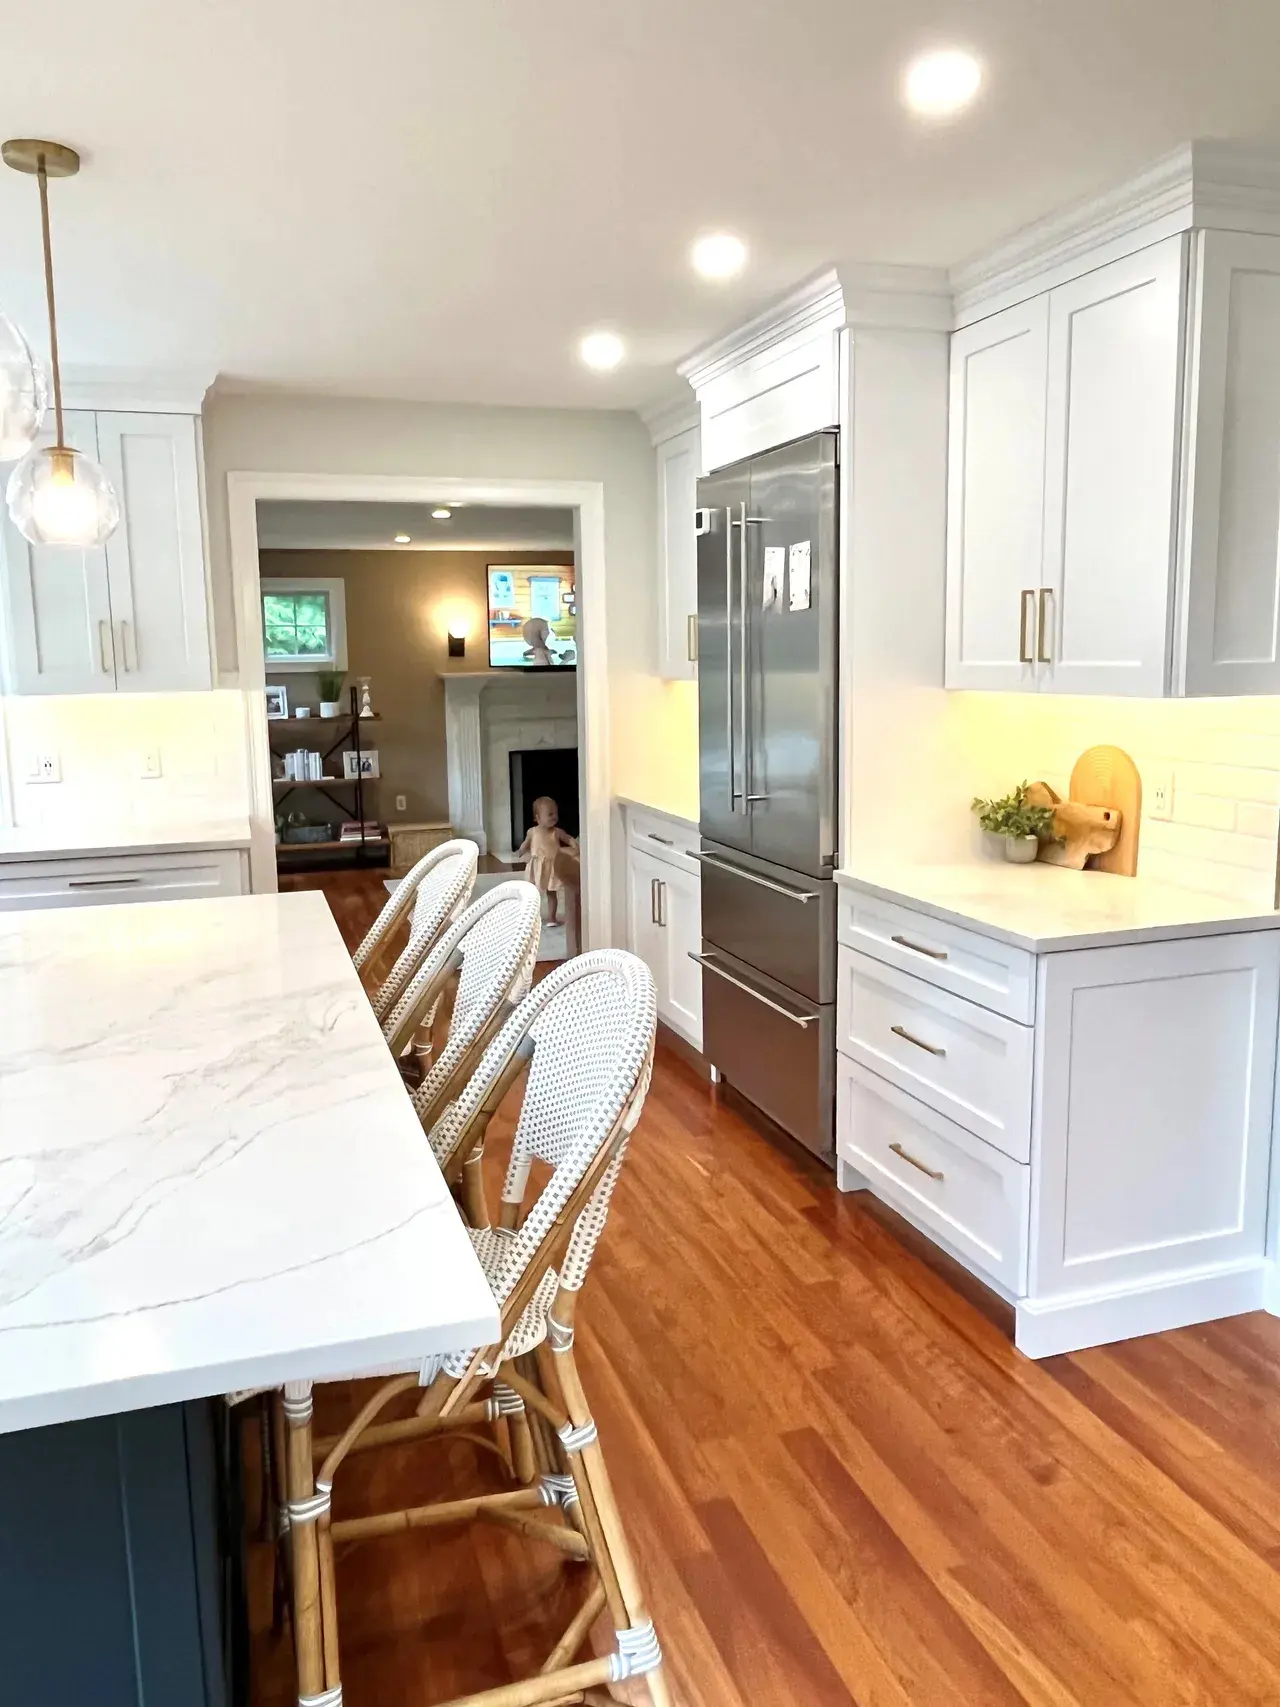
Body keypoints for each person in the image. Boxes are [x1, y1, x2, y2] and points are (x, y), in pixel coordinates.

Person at [514, 795, 577, 924]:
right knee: (532, 893)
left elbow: (568, 838)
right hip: (536, 866)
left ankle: (552, 917)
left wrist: (575, 845)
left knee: (551, 893)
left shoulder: (556, 832)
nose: (554, 817)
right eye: (550, 814)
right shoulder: (532, 831)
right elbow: (526, 843)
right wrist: (520, 851)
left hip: (552, 866)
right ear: (537, 818)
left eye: (555, 813)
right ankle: (529, 916)